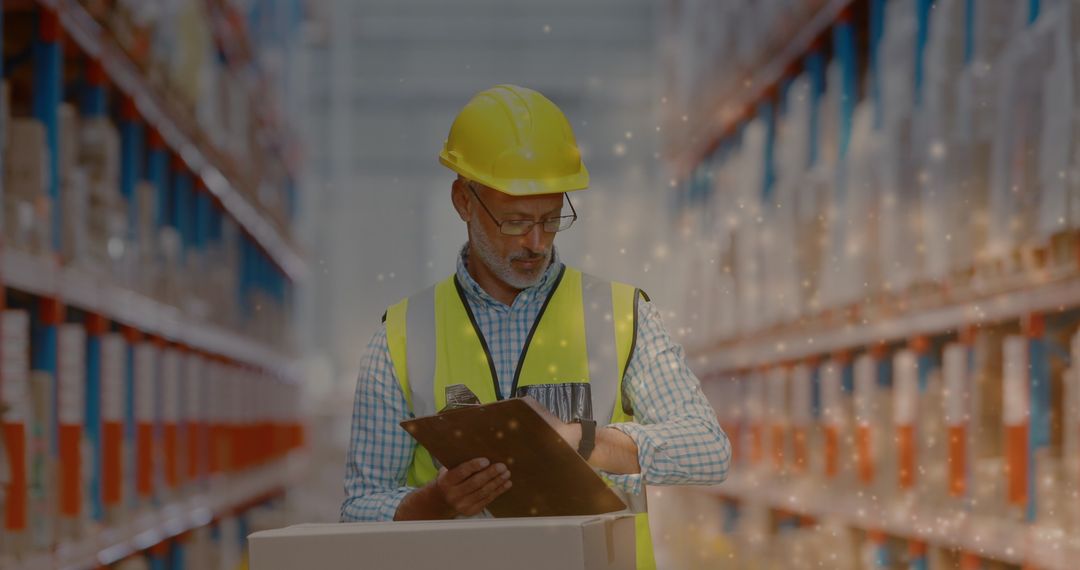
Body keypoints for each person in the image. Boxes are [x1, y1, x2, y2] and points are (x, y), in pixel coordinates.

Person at [341, 84, 730, 570]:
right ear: (464, 200)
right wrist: (435, 502)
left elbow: (708, 451)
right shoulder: (400, 337)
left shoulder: (622, 314)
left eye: (551, 218)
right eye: (515, 220)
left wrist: (584, 441)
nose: (536, 241)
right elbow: (358, 508)